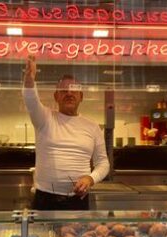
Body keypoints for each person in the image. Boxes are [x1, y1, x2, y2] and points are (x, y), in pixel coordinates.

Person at [22, 56, 110, 210]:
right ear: (56, 96)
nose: (69, 93)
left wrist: (90, 179)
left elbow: (103, 163)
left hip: (78, 200)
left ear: (81, 97)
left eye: (74, 90)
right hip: (45, 199)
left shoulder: (92, 127)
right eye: (63, 90)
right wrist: (29, 78)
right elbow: (31, 100)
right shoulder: (44, 118)